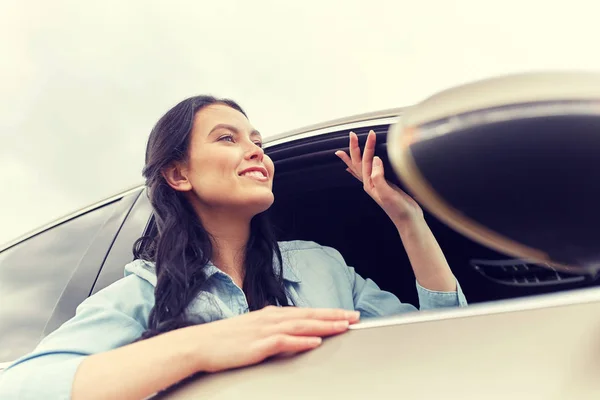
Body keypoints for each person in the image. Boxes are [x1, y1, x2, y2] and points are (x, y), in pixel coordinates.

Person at [0, 96, 467, 399]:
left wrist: (410, 220)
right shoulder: (144, 292)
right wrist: (202, 346)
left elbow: (446, 341)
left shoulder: (323, 267)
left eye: (257, 142)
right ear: (178, 174)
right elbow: (19, 387)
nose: (256, 151)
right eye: (228, 138)